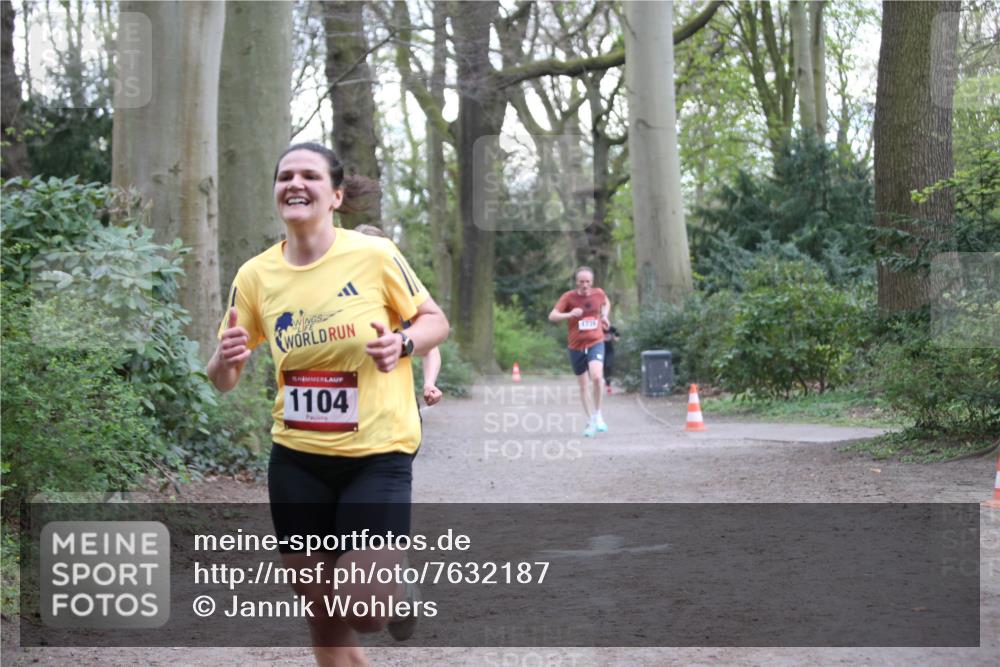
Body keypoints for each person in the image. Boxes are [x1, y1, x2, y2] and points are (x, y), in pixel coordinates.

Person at [207, 143, 449, 666]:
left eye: (310, 176)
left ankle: (395, 585)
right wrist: (225, 360)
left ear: (335, 195)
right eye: (285, 175)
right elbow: (222, 378)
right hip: (297, 458)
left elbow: (435, 321)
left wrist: (403, 344)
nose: (295, 183)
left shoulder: (374, 256)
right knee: (324, 615)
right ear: (276, 193)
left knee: (362, 609)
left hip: (376, 455)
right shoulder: (255, 276)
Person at [355, 224, 443, 406]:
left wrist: (429, 384)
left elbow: (430, 347)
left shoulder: (401, 298)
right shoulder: (338, 296)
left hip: (395, 409)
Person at [548, 266, 611, 437]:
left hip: (595, 341)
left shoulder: (598, 293)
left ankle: (598, 415)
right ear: (576, 281)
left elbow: (606, 302)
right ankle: (590, 420)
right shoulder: (568, 297)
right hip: (576, 346)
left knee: (597, 377)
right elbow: (552, 316)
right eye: (581, 281)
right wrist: (568, 315)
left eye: (588, 281)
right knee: (583, 385)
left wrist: (604, 316)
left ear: (592, 282)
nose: (584, 285)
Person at [603, 324, 621, 395]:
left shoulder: (611, 328)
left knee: (609, 366)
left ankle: (608, 384)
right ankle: (606, 382)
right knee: (604, 367)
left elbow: (617, 334)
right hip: (600, 351)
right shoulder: (598, 327)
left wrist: (615, 338)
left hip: (610, 351)